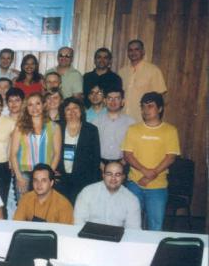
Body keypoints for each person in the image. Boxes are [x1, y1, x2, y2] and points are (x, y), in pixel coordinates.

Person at [122, 91, 180, 231]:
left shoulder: (170, 130)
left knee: (155, 226)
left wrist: (150, 176)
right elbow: (127, 155)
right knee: (130, 225)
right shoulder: (133, 129)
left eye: (150, 106)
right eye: (143, 106)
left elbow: (171, 157)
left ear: (160, 108)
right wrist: (145, 171)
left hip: (158, 187)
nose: (145, 110)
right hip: (134, 184)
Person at [9, 92, 62, 197]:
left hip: (45, 174)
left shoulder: (54, 127)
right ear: (26, 108)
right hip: (24, 173)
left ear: (43, 105)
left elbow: (57, 154)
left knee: (43, 205)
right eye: (30, 105)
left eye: (37, 103)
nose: (34, 108)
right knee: (25, 205)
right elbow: (13, 154)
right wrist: (19, 177)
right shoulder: (20, 127)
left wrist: (49, 174)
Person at [56, 97, 101, 204]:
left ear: (81, 110)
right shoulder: (57, 127)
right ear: (63, 112)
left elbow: (95, 159)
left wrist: (93, 184)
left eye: (75, 108)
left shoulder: (91, 130)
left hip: (83, 180)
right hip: (60, 178)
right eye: (68, 109)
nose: (72, 111)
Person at [74, 161, 141, 229]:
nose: (113, 178)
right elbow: (78, 222)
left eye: (117, 174)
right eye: (109, 174)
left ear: (123, 177)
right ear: (103, 175)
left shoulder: (131, 200)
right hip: (89, 234)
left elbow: (133, 229)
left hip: (117, 235)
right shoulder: (87, 192)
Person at [118, 39, 167, 122]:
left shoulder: (153, 70)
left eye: (136, 49)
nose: (133, 52)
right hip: (122, 118)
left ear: (143, 51)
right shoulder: (122, 72)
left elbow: (159, 98)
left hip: (142, 119)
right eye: (130, 50)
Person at [93, 89, 136, 163]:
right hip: (100, 164)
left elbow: (134, 147)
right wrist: (100, 164)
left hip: (123, 163)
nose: (113, 101)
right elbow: (91, 147)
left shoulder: (131, 123)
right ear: (105, 101)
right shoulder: (95, 122)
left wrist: (122, 164)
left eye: (117, 98)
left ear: (122, 101)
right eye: (109, 98)